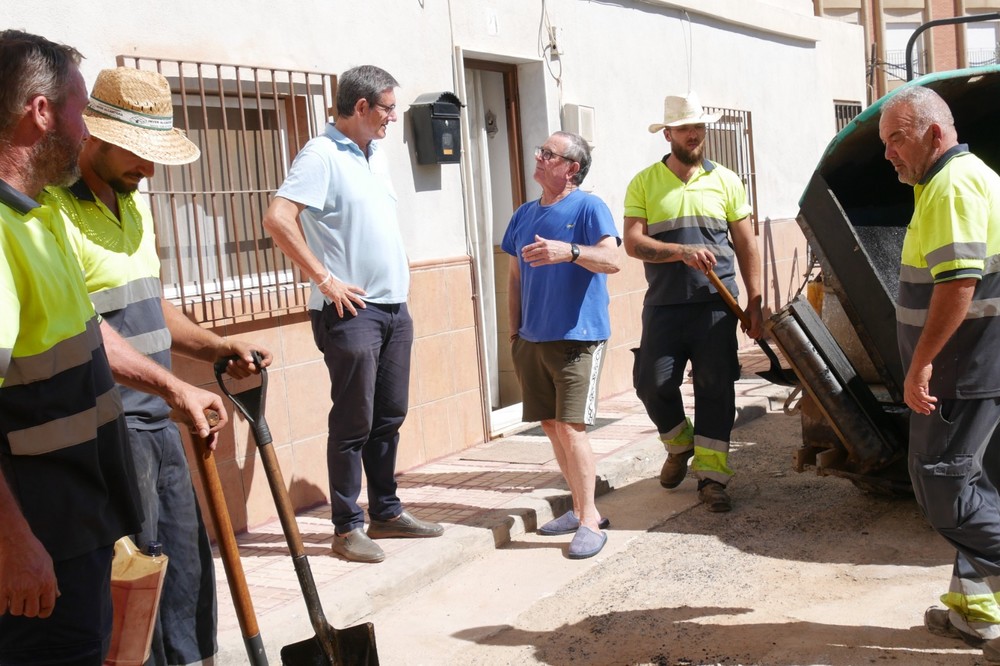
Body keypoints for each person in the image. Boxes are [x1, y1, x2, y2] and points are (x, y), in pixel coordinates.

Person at [0, 30, 222, 665]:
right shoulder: (25, 225)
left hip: (88, 505)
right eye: (77, 108)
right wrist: (13, 542)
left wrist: (179, 380)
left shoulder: (33, 219)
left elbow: (93, 331)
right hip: (46, 527)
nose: (81, 123)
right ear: (42, 113)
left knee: (175, 594)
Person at [41, 67, 272, 666]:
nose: (148, 170)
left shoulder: (132, 201)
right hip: (106, 432)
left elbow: (150, 302)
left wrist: (215, 346)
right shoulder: (51, 211)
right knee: (131, 581)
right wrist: (175, 388)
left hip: (158, 424)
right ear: (95, 135)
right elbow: (86, 330)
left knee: (187, 568)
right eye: (138, 155)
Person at [263, 64, 442, 564]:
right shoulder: (321, 154)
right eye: (387, 108)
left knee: (389, 415)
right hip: (350, 312)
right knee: (354, 421)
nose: (392, 117)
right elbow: (278, 218)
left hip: (392, 308)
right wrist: (324, 278)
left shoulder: (374, 153)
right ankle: (346, 528)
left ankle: (385, 511)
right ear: (360, 107)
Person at [879, 85, 1000, 663]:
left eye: (895, 138)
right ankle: (973, 610)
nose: (888, 154)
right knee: (979, 484)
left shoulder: (951, 185)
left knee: (943, 487)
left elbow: (958, 285)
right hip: (979, 366)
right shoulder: (963, 178)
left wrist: (921, 362)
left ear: (934, 132)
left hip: (960, 370)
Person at [623, 92, 763, 513]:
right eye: (685, 128)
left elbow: (745, 243)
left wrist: (755, 300)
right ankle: (679, 444)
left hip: (715, 304)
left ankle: (713, 478)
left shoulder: (727, 180)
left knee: (716, 388)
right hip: (664, 304)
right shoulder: (644, 182)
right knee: (652, 382)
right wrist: (679, 253)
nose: (694, 134)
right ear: (668, 134)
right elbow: (632, 242)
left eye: (699, 127)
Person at [501, 132, 620, 559]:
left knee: (572, 427)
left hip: (578, 338)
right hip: (532, 339)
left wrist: (568, 251)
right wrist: (514, 333)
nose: (539, 157)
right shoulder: (523, 214)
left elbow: (613, 260)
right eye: (540, 150)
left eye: (549, 154)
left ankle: (590, 520)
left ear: (571, 168)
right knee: (551, 426)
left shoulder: (589, 206)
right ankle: (576, 508)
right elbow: (514, 278)